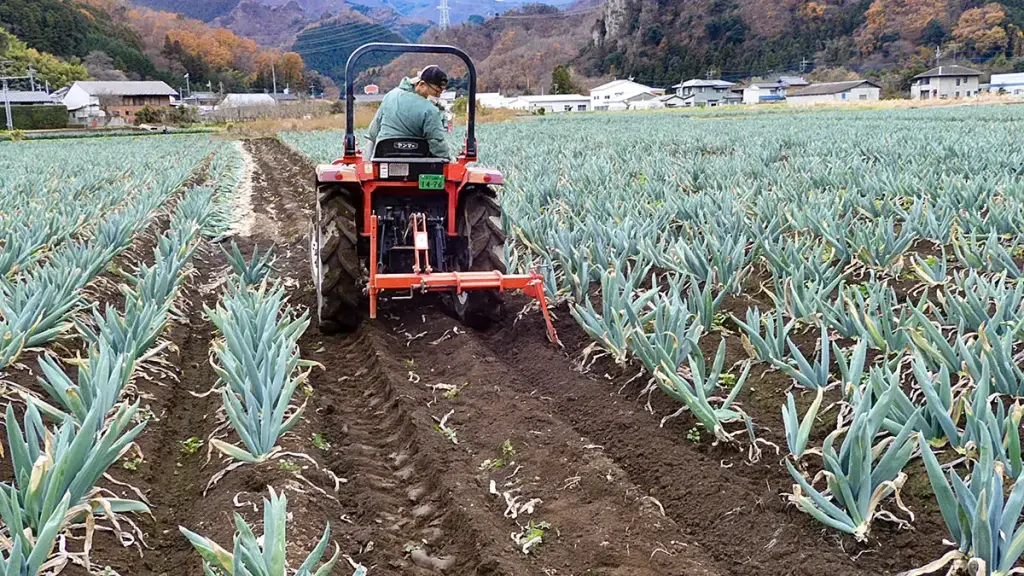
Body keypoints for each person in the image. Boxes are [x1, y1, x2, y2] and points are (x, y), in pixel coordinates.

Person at [368, 65, 450, 158]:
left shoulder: (390, 96)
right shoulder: (430, 110)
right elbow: (437, 143)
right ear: (422, 85)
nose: (438, 96)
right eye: (436, 92)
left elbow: (373, 132)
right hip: (418, 162)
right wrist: (450, 160)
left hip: (384, 157)